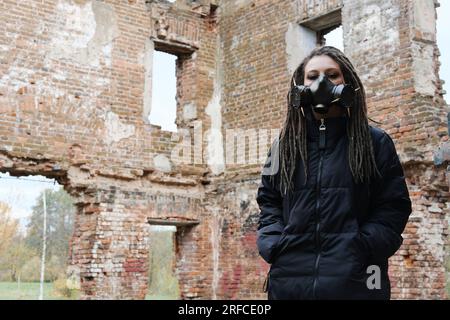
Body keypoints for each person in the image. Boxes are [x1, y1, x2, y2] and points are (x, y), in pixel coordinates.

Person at [256, 46, 412, 300]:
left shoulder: (375, 142)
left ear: (346, 83)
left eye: (332, 75)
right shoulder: (284, 146)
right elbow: (269, 201)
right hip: (290, 284)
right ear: (300, 85)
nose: (322, 83)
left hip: (358, 282)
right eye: (313, 76)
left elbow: (393, 206)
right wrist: (274, 244)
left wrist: (363, 246)